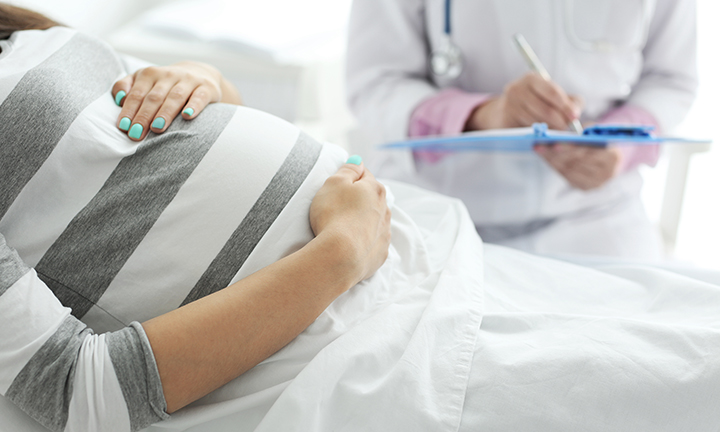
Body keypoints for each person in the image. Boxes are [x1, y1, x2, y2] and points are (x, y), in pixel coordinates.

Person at [3, 5, 720, 432]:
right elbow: (74, 390)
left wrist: (202, 80)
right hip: (359, 339)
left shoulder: (18, 30)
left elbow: (155, 140)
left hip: (430, 254)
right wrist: (341, 251)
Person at [346, 0, 698, 260]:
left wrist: (621, 145)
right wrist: (482, 114)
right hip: (441, 217)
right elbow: (376, 83)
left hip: (598, 219)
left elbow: (671, 79)